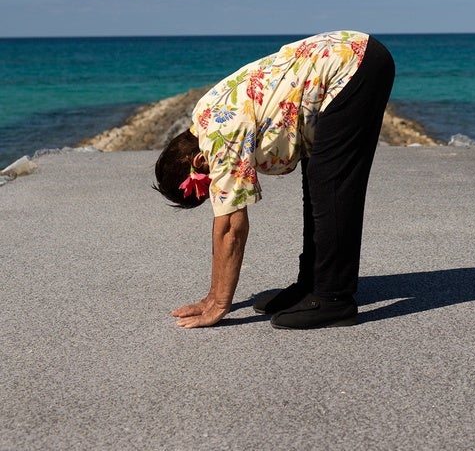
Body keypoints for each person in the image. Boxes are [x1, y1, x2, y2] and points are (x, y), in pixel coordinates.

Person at [154, 30, 395, 329]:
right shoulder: (204, 114)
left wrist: (218, 304)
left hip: (355, 67)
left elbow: (230, 226)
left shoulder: (219, 138)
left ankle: (334, 299)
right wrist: (210, 295)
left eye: (206, 192)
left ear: (197, 163)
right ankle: (311, 284)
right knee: (319, 181)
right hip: (346, 58)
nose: (212, 195)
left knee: (332, 183)